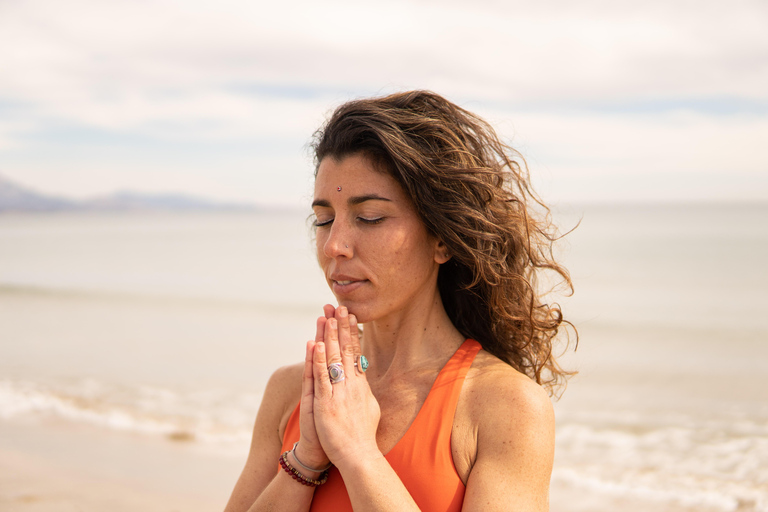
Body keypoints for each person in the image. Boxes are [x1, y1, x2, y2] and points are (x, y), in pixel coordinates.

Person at [224, 90, 575, 512]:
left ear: (442, 237)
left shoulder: (506, 407)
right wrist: (306, 459)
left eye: (369, 217)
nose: (334, 244)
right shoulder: (290, 394)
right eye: (323, 219)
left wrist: (358, 453)